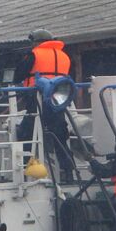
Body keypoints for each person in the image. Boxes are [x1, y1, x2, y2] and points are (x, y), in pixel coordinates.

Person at [13, 30, 74, 181]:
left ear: (36, 42)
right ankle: (68, 172)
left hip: (37, 99)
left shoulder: (34, 55)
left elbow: (18, 75)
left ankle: (27, 171)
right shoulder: (64, 56)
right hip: (58, 100)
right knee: (60, 136)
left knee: (26, 134)